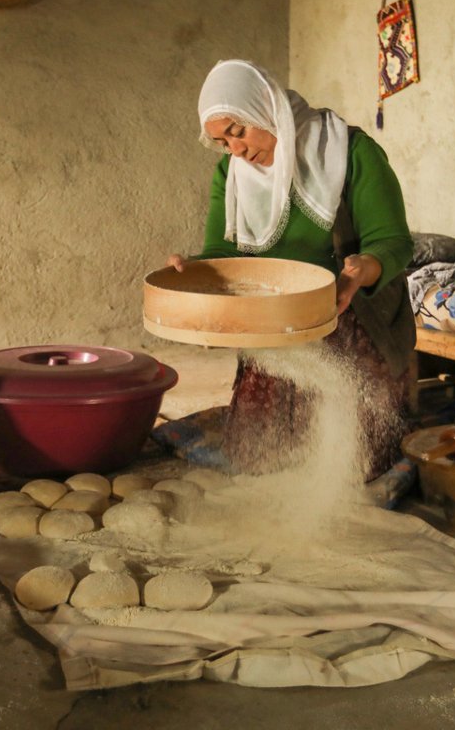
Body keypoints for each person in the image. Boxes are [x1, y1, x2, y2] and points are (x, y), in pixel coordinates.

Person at [166, 59, 416, 479]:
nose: (237, 150)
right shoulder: (232, 173)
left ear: (266, 109)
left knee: (354, 464)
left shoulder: (350, 153)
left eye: (238, 131)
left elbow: (394, 243)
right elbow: (222, 253)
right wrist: (194, 271)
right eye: (222, 142)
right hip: (275, 320)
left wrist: (361, 270)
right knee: (259, 455)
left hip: (348, 310)